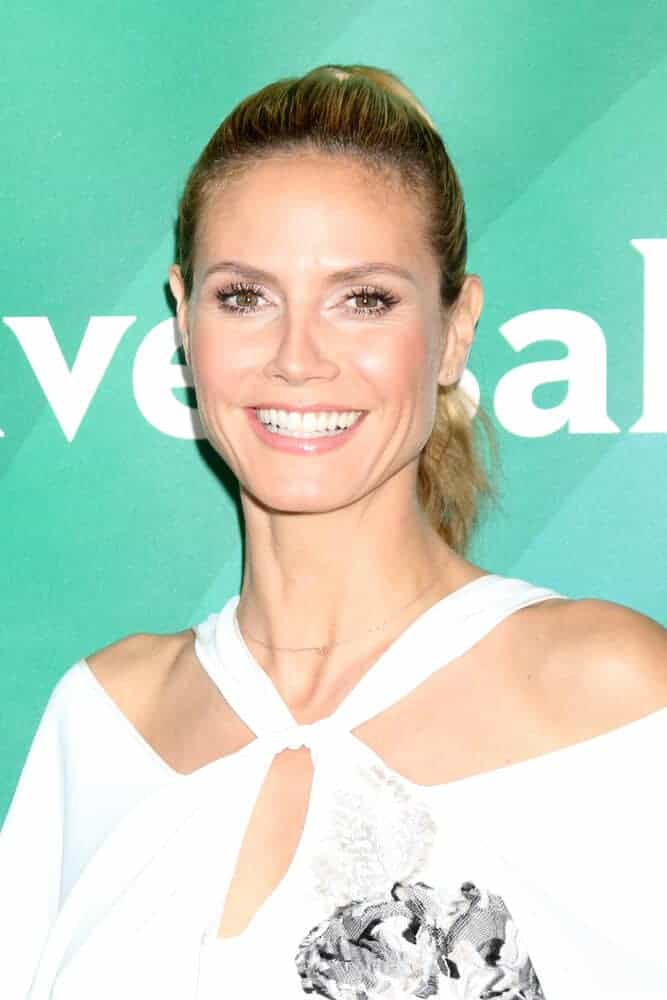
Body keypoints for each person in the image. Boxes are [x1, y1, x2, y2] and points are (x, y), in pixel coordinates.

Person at [1, 63, 665, 1000]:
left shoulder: (611, 698)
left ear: (456, 328)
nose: (298, 359)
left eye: (364, 299)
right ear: (183, 319)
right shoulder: (106, 720)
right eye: (244, 296)